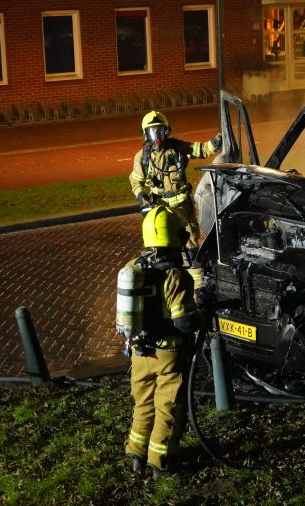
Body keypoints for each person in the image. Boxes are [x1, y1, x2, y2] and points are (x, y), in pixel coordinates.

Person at [123, 205, 205, 478]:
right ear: (176, 237)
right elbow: (184, 322)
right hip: (167, 354)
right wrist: (203, 315)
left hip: (138, 351)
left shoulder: (133, 268)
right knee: (167, 408)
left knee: (142, 403)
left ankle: (135, 452)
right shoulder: (176, 276)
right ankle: (160, 461)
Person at [130, 110, 222, 247]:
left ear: (166, 131)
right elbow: (136, 180)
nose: (156, 137)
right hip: (159, 207)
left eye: (159, 132)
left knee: (190, 241)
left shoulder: (178, 148)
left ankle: (191, 266)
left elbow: (199, 149)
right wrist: (141, 196)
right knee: (164, 241)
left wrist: (214, 144)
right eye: (152, 132)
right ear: (145, 134)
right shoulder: (142, 157)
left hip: (182, 206)